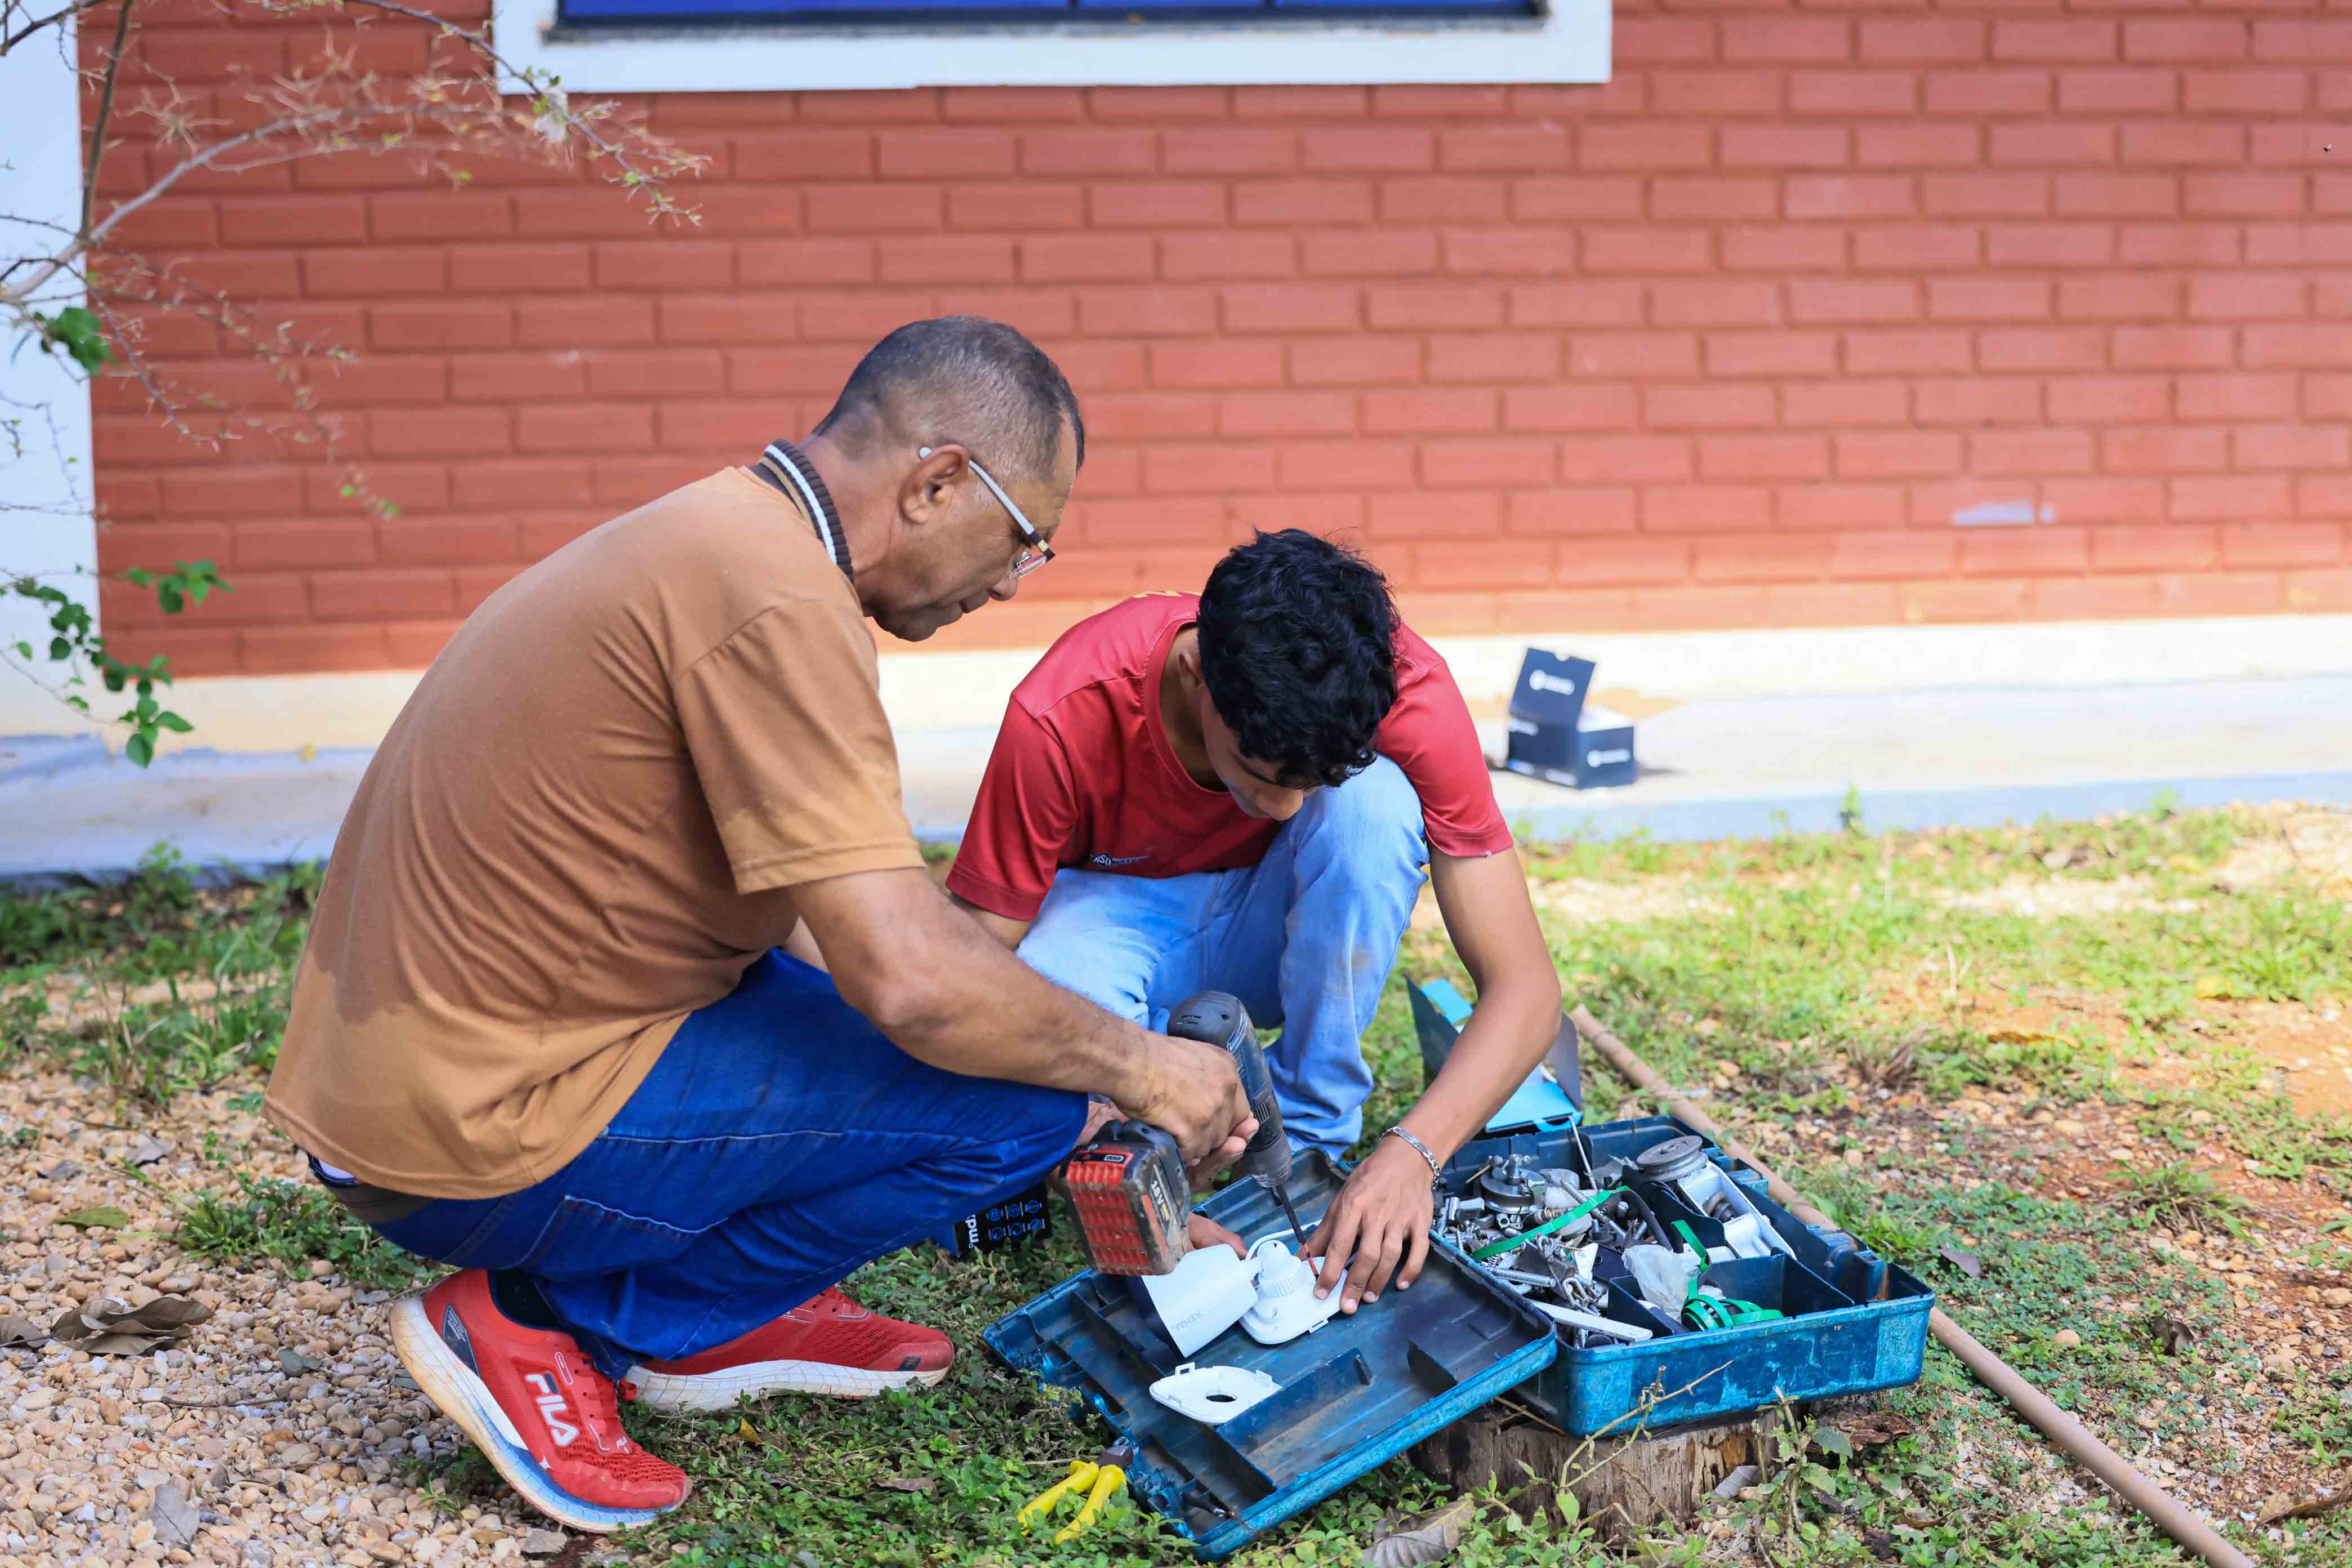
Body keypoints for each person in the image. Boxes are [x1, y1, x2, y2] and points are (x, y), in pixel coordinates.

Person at [264, 317, 1255, 1535]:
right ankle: (550, 1324)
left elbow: (834, 933)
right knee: (1018, 1114)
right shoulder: (778, 604)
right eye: (1022, 540)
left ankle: (712, 1311)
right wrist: (1138, 1067)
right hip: (473, 1132)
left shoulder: (727, 538)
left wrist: (1048, 1045)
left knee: (998, 1067)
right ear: (940, 482)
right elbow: (909, 979)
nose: (1011, 582)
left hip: (432, 1075)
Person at [947, 531, 1563, 1316]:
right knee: (1051, 970)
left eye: (1311, 781)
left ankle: (1309, 1136)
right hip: (1120, 924)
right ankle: (1146, 1136)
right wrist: (1093, 1137)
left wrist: (1413, 1154)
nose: (1283, 806)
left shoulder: (1399, 684)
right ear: (1194, 673)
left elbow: (1527, 988)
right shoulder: (1066, 709)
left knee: (1371, 809)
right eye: (1260, 774)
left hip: (1272, 922)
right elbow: (967, 981)